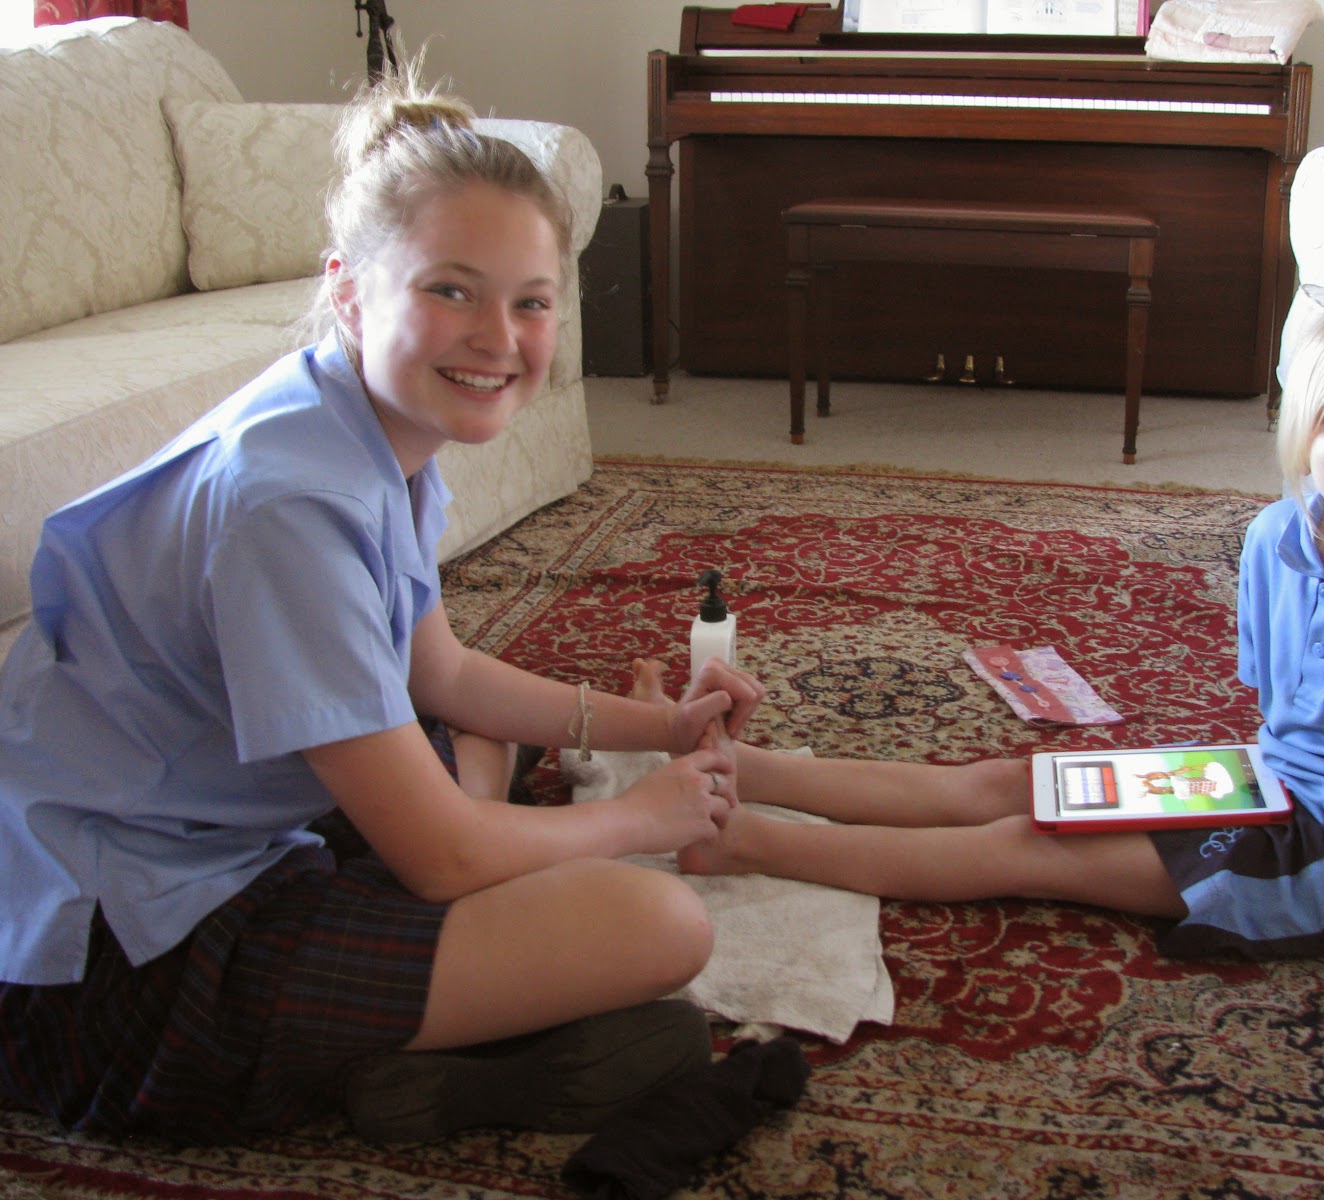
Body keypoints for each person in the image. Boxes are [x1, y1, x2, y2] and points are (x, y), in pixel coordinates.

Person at [0, 66, 775, 1145]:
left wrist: (659, 730)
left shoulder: (364, 427)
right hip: (113, 966)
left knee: (466, 732)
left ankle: (447, 971)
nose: (498, 337)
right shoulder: (291, 505)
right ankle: (404, 1057)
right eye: (449, 290)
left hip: (202, 835)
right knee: (658, 923)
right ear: (351, 293)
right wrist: (640, 819)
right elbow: (439, 861)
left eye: (530, 301)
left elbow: (440, 674)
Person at [680, 298, 1324, 961]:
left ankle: (747, 841)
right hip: (1266, 781)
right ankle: (751, 769)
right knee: (1013, 782)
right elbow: (1274, 710)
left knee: (1030, 845)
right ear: (1300, 436)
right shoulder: (1276, 537)